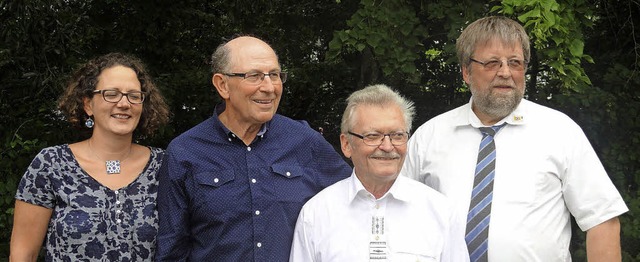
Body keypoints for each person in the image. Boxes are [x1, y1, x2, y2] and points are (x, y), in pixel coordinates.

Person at [402, 16, 629, 261]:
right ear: (466, 72)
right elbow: (396, 211)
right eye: (492, 63)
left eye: (515, 63)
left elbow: (602, 219)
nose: (505, 73)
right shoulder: (429, 137)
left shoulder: (559, 131)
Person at [156, 36, 352, 261]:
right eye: (254, 76)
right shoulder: (185, 153)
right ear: (222, 85)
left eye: (275, 75)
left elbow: (351, 202)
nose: (269, 87)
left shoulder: (304, 142)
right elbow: (173, 248)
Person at [10, 52, 170, 261]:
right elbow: (23, 254)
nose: (124, 103)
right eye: (111, 94)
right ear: (88, 105)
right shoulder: (51, 164)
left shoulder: (164, 165)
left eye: (133, 95)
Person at [290, 84, 469, 261]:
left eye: (397, 135)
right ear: (346, 144)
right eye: (372, 136)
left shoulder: (439, 212)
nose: (387, 146)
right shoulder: (316, 215)